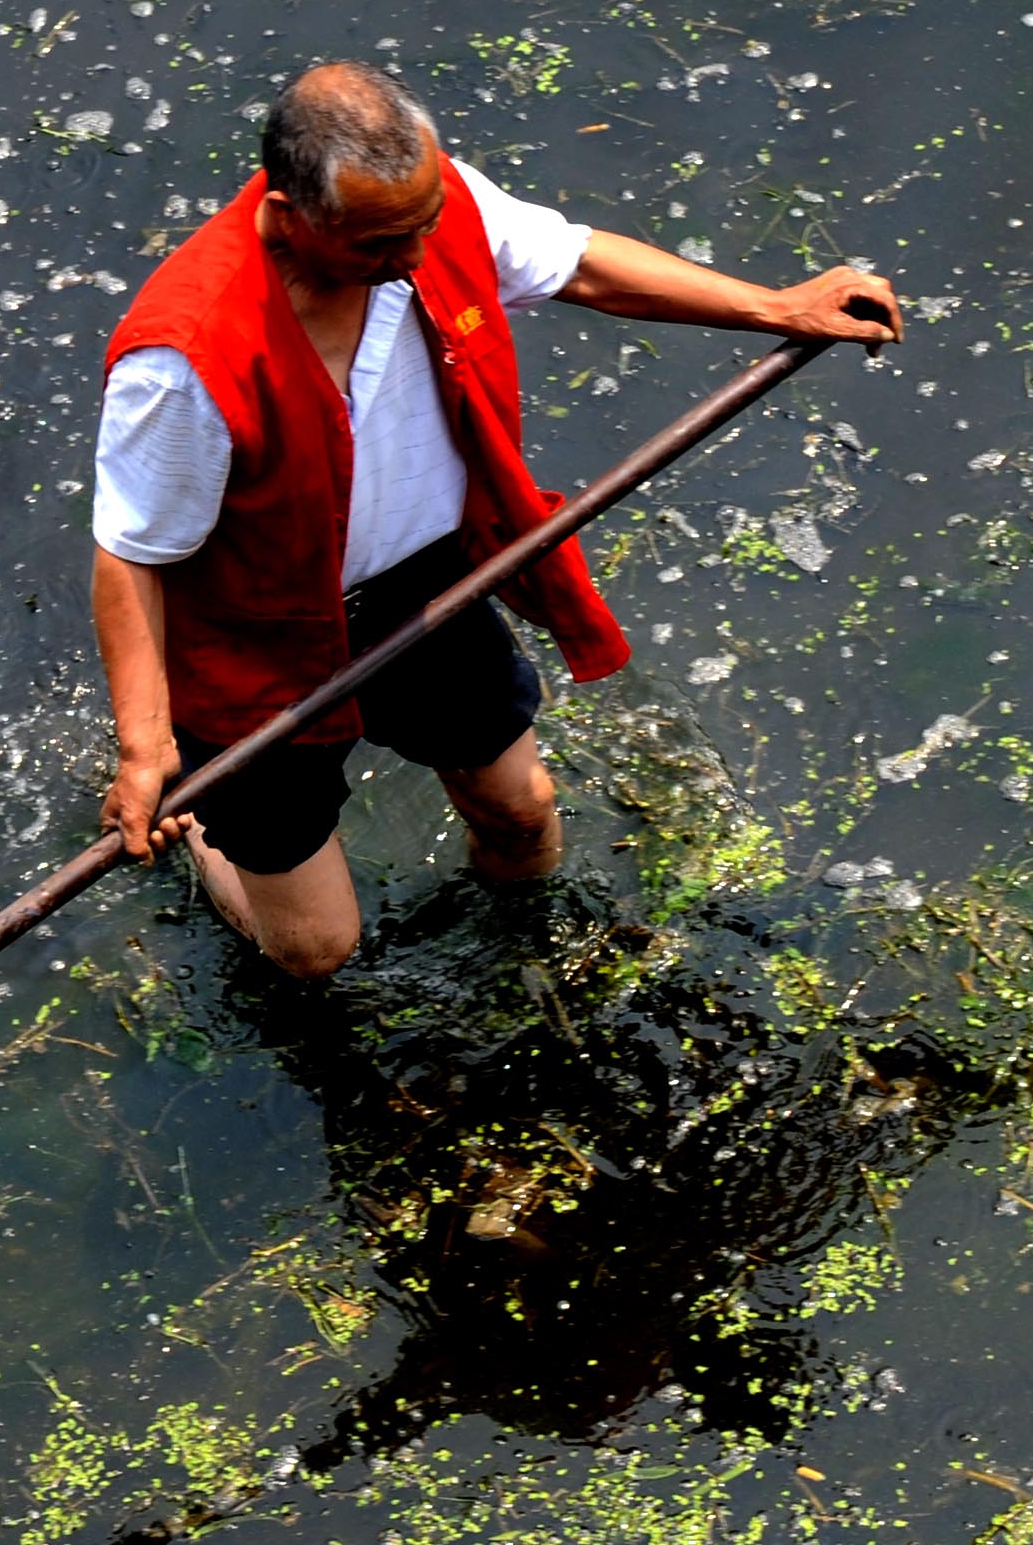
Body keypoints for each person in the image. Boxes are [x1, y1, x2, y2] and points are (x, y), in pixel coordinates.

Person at [92, 58, 897, 979]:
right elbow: (130, 556)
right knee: (316, 952)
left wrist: (775, 307)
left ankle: (516, 971)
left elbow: (582, 265)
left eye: (419, 230)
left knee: (523, 818)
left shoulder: (429, 211)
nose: (408, 262)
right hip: (256, 640)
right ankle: (212, 829)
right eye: (374, 247)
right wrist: (143, 747)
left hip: (418, 591)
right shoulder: (184, 360)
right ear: (286, 214)